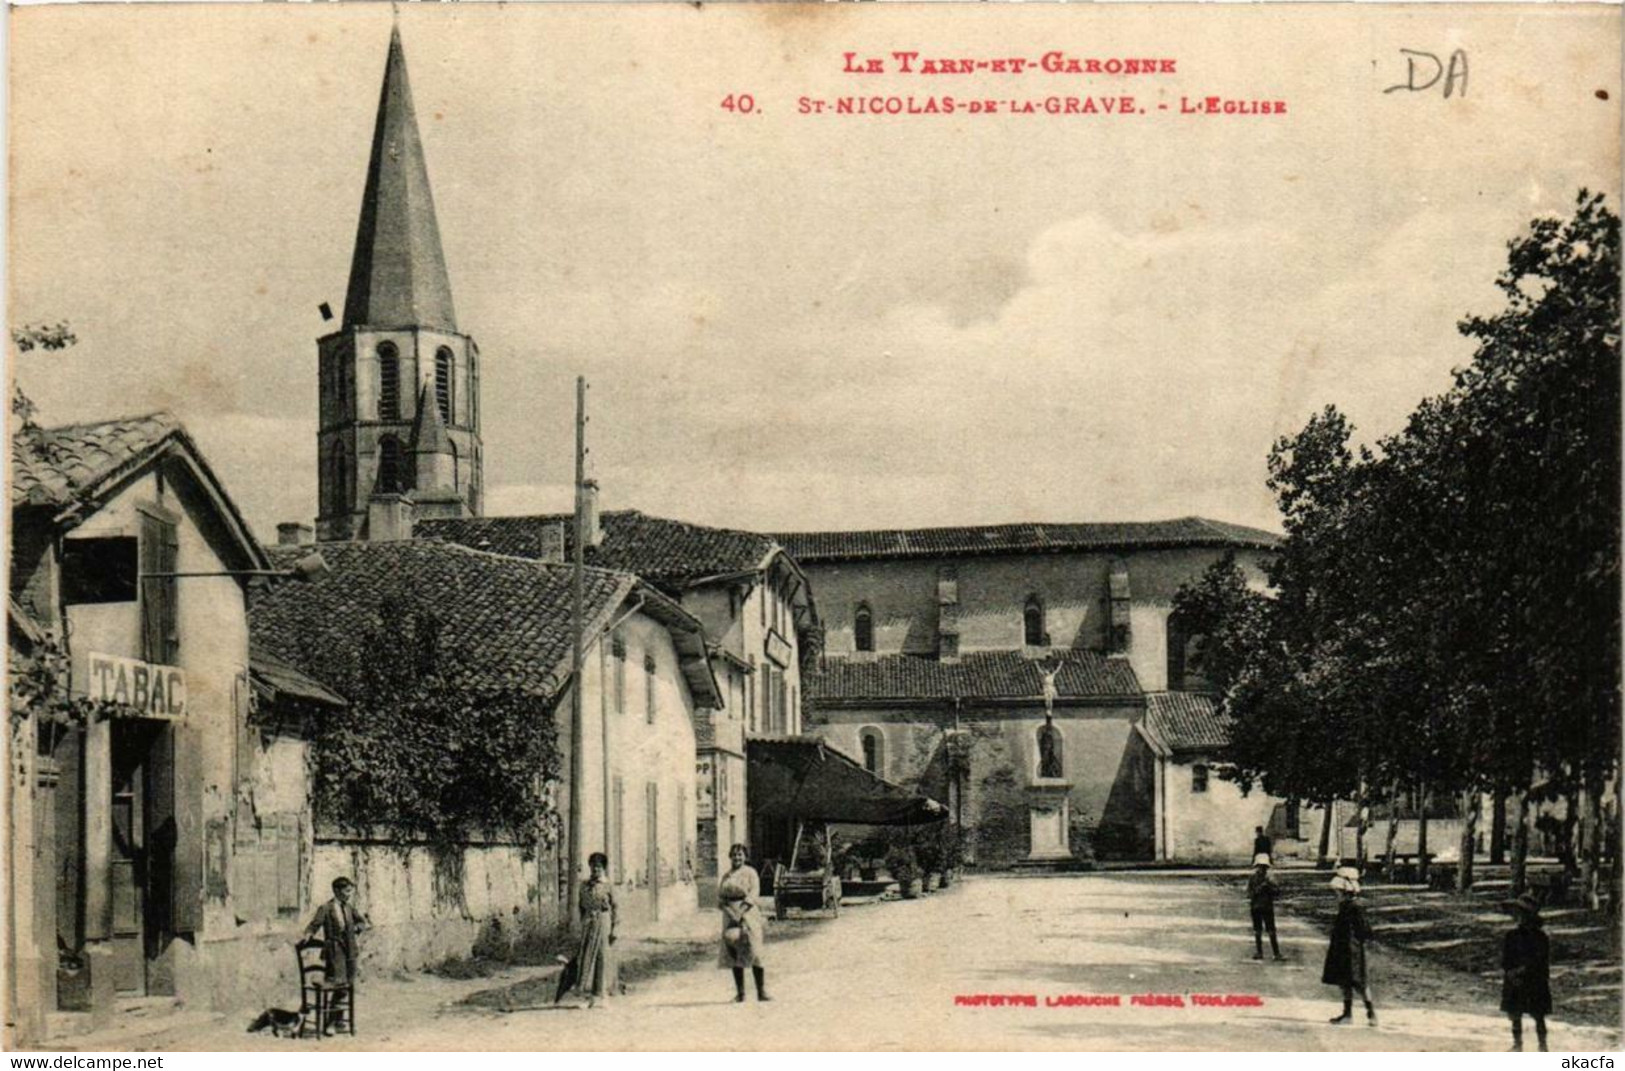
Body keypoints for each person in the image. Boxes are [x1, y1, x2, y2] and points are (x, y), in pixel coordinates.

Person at [300, 876, 369, 1033]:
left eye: (350, 890)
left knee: (346, 986)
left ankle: (338, 1020)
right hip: (334, 951)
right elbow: (314, 924)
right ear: (336, 890)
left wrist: (358, 927)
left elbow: (361, 922)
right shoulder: (326, 908)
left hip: (351, 951)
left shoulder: (349, 908)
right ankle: (330, 1023)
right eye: (346, 890)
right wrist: (308, 934)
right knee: (338, 984)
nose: (349, 894)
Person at [1322, 867, 1375, 1026]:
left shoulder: (1355, 907)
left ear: (1346, 891)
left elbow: (1364, 931)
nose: (1336, 895)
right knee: (1344, 982)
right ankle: (1348, 1014)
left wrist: (1358, 945)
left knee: (1359, 982)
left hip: (1353, 950)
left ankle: (1371, 1014)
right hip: (1342, 948)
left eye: (1338, 892)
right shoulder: (1345, 906)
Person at [718, 843, 770, 1002]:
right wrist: (730, 913)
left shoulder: (750, 873)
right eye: (734, 855)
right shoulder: (726, 876)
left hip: (748, 913)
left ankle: (761, 992)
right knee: (734, 950)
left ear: (745, 857)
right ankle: (740, 994)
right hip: (729, 915)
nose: (737, 858)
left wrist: (740, 913)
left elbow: (754, 894)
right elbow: (720, 898)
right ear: (730, 857)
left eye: (740, 855)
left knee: (754, 950)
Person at [1501, 892, 1551, 1051]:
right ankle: (1517, 1044)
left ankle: (1542, 1046)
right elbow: (1506, 958)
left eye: (1521, 913)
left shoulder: (1540, 937)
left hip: (1534, 979)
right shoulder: (1511, 936)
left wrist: (1522, 970)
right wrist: (1510, 973)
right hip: (1515, 979)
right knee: (1515, 1013)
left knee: (1538, 1015)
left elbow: (1540, 960)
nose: (1518, 917)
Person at [572, 851, 618, 1008]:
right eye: (593, 867)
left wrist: (615, 929)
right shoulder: (584, 885)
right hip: (589, 923)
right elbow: (580, 906)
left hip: (603, 922)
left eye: (598, 867)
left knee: (602, 957)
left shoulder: (608, 885)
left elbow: (616, 907)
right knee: (586, 958)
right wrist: (582, 922)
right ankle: (589, 997)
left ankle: (603, 995)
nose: (595, 870)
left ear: (603, 868)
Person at [1247, 854, 1284, 961]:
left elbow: (1277, 892)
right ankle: (1260, 952)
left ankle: (1276, 953)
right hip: (1258, 907)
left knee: (1271, 930)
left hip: (1266, 906)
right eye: (1260, 866)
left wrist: (1270, 886)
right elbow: (1250, 893)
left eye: (1264, 867)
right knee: (1258, 930)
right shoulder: (1253, 879)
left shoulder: (1270, 879)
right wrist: (1260, 888)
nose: (1262, 869)